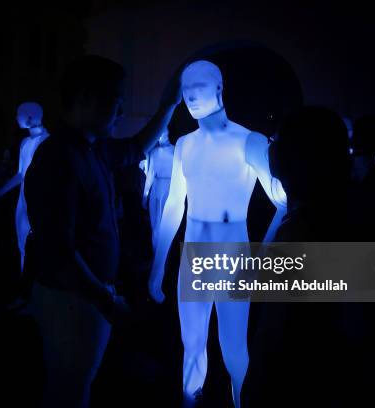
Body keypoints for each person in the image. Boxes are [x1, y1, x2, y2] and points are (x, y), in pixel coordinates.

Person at [24, 55, 181, 408]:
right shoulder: (59, 158)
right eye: (115, 98)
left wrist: (168, 105)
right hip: (72, 301)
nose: (121, 110)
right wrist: (106, 300)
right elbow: (59, 250)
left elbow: (135, 147)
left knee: (77, 384)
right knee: (69, 389)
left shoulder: (91, 149)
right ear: (83, 98)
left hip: (86, 296)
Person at [148, 60, 286, 408]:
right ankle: (190, 402)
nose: (192, 98)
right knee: (192, 344)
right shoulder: (184, 145)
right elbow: (173, 207)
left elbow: (282, 200)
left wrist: (262, 254)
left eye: (200, 90)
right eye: (187, 92)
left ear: (219, 89)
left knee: (234, 349)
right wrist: (157, 266)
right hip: (195, 251)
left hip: (231, 251)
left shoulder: (248, 141)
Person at [0, 102, 49, 271]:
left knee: (37, 243)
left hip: (38, 198)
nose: (16, 118)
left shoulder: (47, 141)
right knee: (22, 241)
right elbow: (20, 174)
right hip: (23, 198)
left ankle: (33, 289)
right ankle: (25, 288)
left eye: (19, 114)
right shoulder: (25, 142)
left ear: (30, 117)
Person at [142, 129, 174, 248]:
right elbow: (150, 175)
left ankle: (165, 257)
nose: (160, 137)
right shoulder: (155, 152)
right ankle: (158, 257)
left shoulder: (175, 150)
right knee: (156, 225)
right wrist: (145, 196)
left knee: (166, 225)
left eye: (163, 134)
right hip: (158, 188)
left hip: (169, 188)